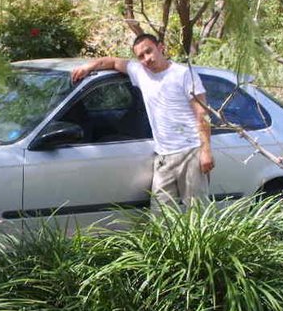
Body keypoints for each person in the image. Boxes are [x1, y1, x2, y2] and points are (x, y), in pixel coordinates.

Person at [71, 33, 214, 208]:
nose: (147, 58)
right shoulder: (140, 72)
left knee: (197, 213)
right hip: (163, 156)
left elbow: (202, 113)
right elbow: (113, 62)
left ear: (161, 47)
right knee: (162, 215)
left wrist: (205, 151)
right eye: (141, 56)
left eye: (149, 51)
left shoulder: (183, 74)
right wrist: (89, 66)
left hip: (190, 152)